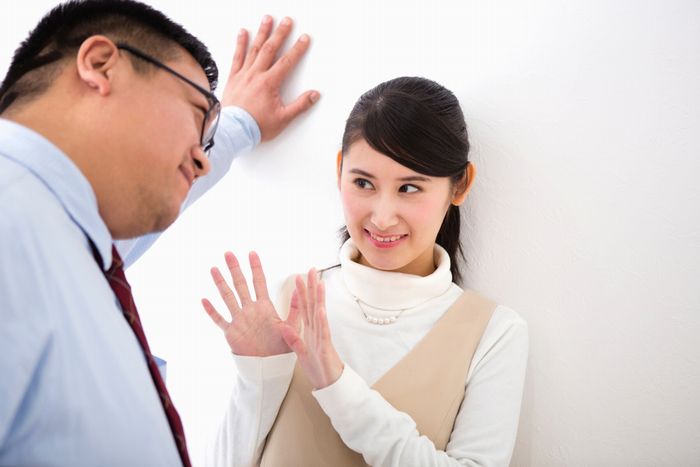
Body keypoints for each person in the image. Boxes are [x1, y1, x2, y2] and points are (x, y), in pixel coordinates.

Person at [0, 0, 318, 465]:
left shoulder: (67, 238)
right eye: (196, 111)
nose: (202, 158)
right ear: (101, 65)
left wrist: (239, 125)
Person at [202, 77, 529, 466]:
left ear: (460, 186)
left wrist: (337, 386)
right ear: (339, 170)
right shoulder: (290, 300)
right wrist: (258, 377)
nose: (383, 217)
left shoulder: (493, 333)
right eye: (363, 182)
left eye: (409, 188)